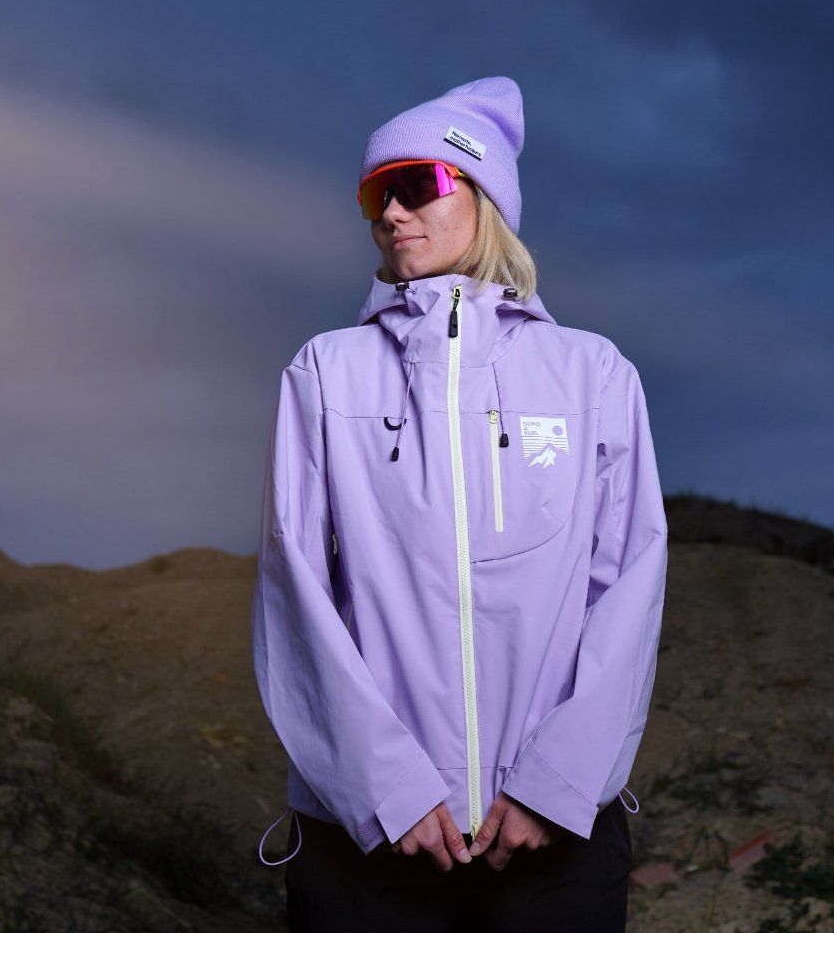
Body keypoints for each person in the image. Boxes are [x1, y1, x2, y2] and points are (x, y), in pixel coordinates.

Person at [250, 76, 668, 932]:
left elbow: (628, 587)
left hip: (553, 843)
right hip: (367, 847)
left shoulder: (593, 374)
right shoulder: (326, 371)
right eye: (374, 195)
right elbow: (295, 591)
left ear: (486, 198)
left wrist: (555, 785)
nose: (391, 212)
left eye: (416, 184)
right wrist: (389, 791)